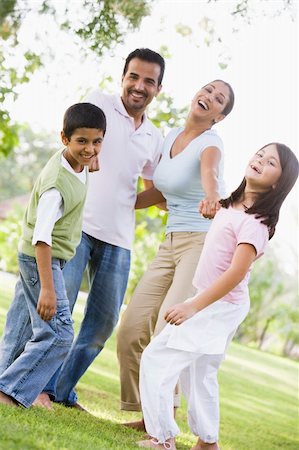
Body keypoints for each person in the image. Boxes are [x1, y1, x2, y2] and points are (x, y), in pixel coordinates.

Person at [136, 143, 299, 450]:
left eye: (270, 162)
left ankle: (162, 438)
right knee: (201, 372)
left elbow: (236, 273)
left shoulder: (256, 225)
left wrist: (192, 306)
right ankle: (208, 443)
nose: (259, 161)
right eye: (259, 154)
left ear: (279, 182)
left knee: (156, 358)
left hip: (218, 305)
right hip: (220, 304)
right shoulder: (231, 207)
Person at [34, 48, 165, 409]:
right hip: (80, 226)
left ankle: (61, 390)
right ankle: (41, 389)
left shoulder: (155, 136)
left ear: (158, 88)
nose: (139, 86)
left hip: (119, 239)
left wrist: (133, 201)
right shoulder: (99, 103)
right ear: (123, 77)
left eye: (149, 81)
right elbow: (80, 142)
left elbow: (154, 185)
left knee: (102, 324)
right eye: (134, 77)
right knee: (60, 312)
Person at [117, 80, 235, 426]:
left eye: (219, 99)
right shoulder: (168, 137)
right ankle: (147, 410)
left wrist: (212, 197)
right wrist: (120, 203)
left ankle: (162, 419)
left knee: (165, 332)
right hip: (169, 243)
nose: (209, 97)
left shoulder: (211, 144)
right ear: (194, 92)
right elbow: (160, 193)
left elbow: (209, 175)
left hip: (201, 243)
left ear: (220, 116)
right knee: (130, 330)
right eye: (208, 89)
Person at [0, 103, 106, 408]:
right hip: (40, 259)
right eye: (81, 141)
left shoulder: (78, 162)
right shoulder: (56, 187)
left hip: (40, 258)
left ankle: (3, 380)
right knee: (59, 334)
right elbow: (41, 239)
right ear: (64, 138)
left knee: (20, 330)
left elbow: (88, 159)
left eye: (96, 141)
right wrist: (47, 288)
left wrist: (89, 160)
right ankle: (10, 391)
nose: (89, 149)